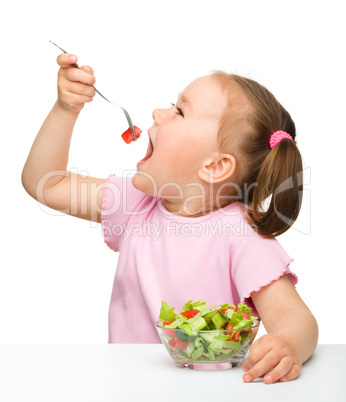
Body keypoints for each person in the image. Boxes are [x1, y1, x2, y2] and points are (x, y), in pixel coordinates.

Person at [22, 53, 318, 384]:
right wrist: (66, 109)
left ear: (214, 166)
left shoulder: (242, 235)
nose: (158, 113)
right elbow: (45, 182)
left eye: (179, 111)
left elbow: (295, 316)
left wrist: (287, 343)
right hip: (125, 386)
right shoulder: (135, 204)